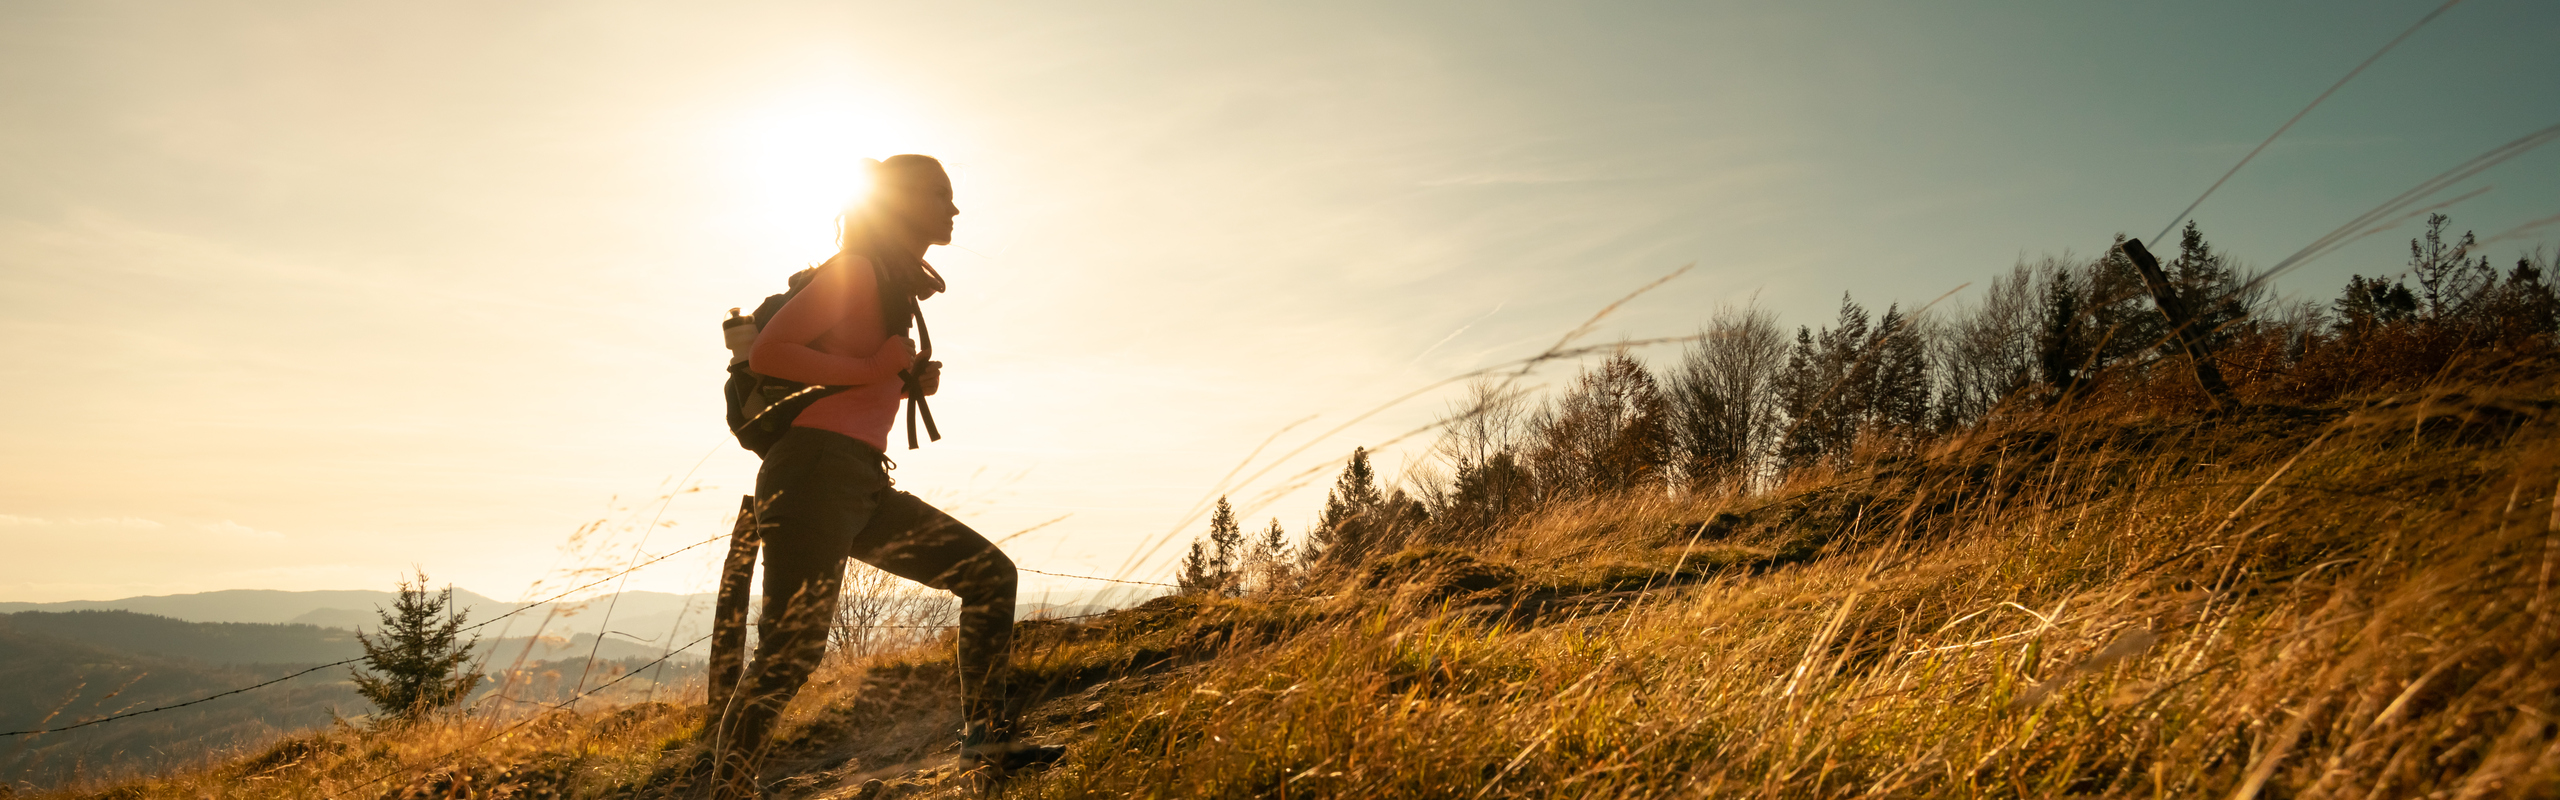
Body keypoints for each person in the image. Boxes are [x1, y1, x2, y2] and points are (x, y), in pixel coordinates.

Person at [704, 154, 1062, 795]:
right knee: (790, 654)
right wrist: (877, 369)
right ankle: (728, 791)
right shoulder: (858, 271)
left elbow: (849, 374)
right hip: (815, 474)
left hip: (861, 482)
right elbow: (769, 351)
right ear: (902, 202)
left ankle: (986, 742)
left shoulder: (889, 282)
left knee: (987, 576)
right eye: (941, 196)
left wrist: (902, 382)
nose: (953, 210)